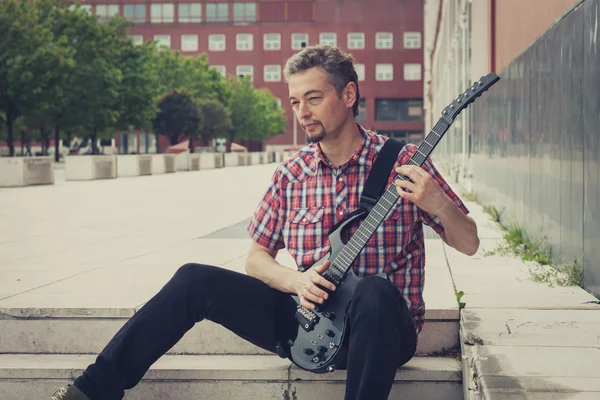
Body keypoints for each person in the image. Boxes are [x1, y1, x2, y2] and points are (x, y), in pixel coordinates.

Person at [51, 45, 479, 400]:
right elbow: (256, 258)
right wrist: (296, 282)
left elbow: (470, 243)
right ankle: (91, 391)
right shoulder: (291, 173)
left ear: (348, 96)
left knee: (374, 290)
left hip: (381, 333)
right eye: (295, 102)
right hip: (306, 322)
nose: (302, 112)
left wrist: (438, 204)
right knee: (192, 279)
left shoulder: (402, 163)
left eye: (313, 98)